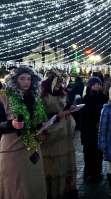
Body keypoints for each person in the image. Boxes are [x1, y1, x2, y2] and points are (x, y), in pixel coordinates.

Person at [0, 66, 48, 199]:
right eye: (22, 79)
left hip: (33, 148)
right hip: (13, 150)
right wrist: (11, 124)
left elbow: (35, 120)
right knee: (17, 187)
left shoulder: (34, 99)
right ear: (14, 80)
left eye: (29, 79)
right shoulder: (3, 98)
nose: (26, 82)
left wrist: (42, 124)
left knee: (35, 184)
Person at [40, 70, 78, 199]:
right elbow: (41, 117)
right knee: (53, 165)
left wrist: (70, 108)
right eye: (57, 83)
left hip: (64, 133)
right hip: (52, 134)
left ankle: (66, 188)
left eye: (61, 83)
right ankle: (53, 191)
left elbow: (64, 105)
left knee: (65, 161)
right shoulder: (43, 97)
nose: (59, 86)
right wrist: (57, 116)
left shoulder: (62, 94)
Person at [80, 77, 108, 181]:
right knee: (88, 153)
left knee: (98, 152)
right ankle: (88, 172)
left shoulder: (103, 98)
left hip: (100, 130)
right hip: (89, 131)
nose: (97, 86)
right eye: (94, 84)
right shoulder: (86, 98)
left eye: (98, 84)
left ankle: (98, 171)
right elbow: (83, 116)